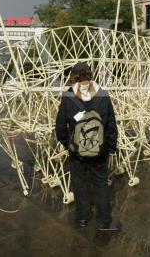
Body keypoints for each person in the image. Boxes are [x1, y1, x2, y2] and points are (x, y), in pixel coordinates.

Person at [55, 62, 120, 231]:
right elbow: (111, 125)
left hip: (77, 151)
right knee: (100, 184)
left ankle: (82, 218)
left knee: (79, 183)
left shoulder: (68, 96)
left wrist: (68, 144)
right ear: (90, 75)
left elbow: (60, 127)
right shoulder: (103, 95)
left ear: (74, 76)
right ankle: (103, 221)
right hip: (99, 150)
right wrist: (111, 148)